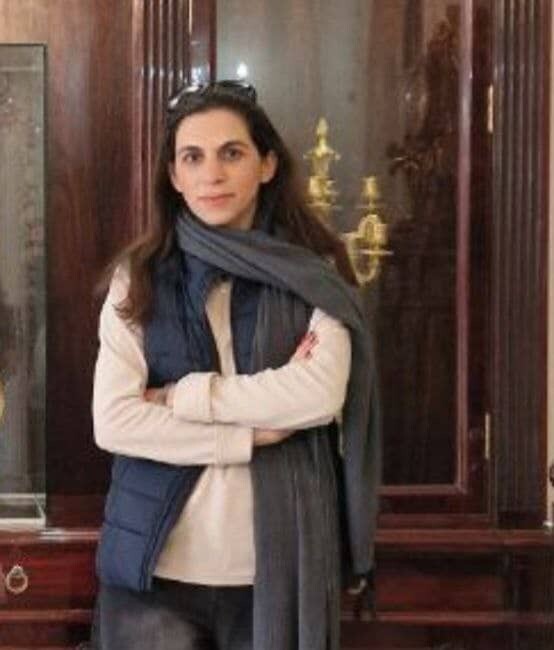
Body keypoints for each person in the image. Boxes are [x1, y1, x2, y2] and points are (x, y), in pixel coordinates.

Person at [91, 80, 380, 650]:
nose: (212, 175)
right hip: (156, 574)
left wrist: (180, 396)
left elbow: (318, 393)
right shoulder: (138, 279)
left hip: (274, 576)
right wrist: (248, 436)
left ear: (266, 164)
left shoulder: (316, 273)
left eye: (231, 153)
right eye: (192, 157)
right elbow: (115, 421)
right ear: (173, 176)